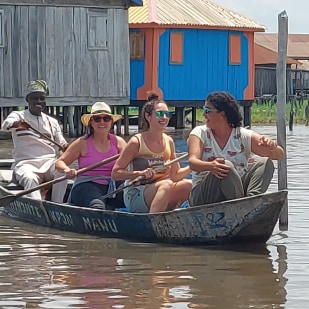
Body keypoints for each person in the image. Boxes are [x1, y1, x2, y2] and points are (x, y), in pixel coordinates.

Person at [187, 91, 285, 206]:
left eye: (208, 111)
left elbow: (279, 155)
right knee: (226, 166)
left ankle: (250, 204)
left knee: (265, 163)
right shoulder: (200, 133)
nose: (204, 114)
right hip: (204, 196)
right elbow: (192, 163)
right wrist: (211, 167)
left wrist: (272, 146)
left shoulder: (242, 135)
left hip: (236, 191)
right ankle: (243, 208)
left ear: (222, 114)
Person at [111, 94, 192, 213]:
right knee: (166, 185)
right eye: (159, 114)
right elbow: (115, 174)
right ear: (148, 116)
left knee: (189, 185)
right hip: (136, 192)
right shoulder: (136, 142)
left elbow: (175, 175)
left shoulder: (169, 141)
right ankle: (154, 223)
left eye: (167, 114)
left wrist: (193, 165)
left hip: (162, 190)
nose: (164, 117)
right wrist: (140, 173)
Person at [1, 80, 68, 202]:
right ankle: (39, 209)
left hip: (49, 163)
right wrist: (18, 124)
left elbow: (62, 143)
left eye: (42, 98)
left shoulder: (52, 122)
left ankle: (57, 206)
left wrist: (65, 149)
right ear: (28, 100)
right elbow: (5, 125)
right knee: (30, 179)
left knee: (63, 173)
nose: (39, 102)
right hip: (25, 163)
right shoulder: (18, 115)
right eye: (34, 98)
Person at [55, 101, 127, 209]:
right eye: (97, 119)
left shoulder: (119, 142)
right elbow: (60, 162)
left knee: (130, 196)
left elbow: (134, 159)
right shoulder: (82, 143)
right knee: (97, 205)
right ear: (91, 123)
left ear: (111, 122)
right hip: (87, 184)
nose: (102, 122)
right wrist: (67, 170)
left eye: (106, 118)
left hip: (113, 184)